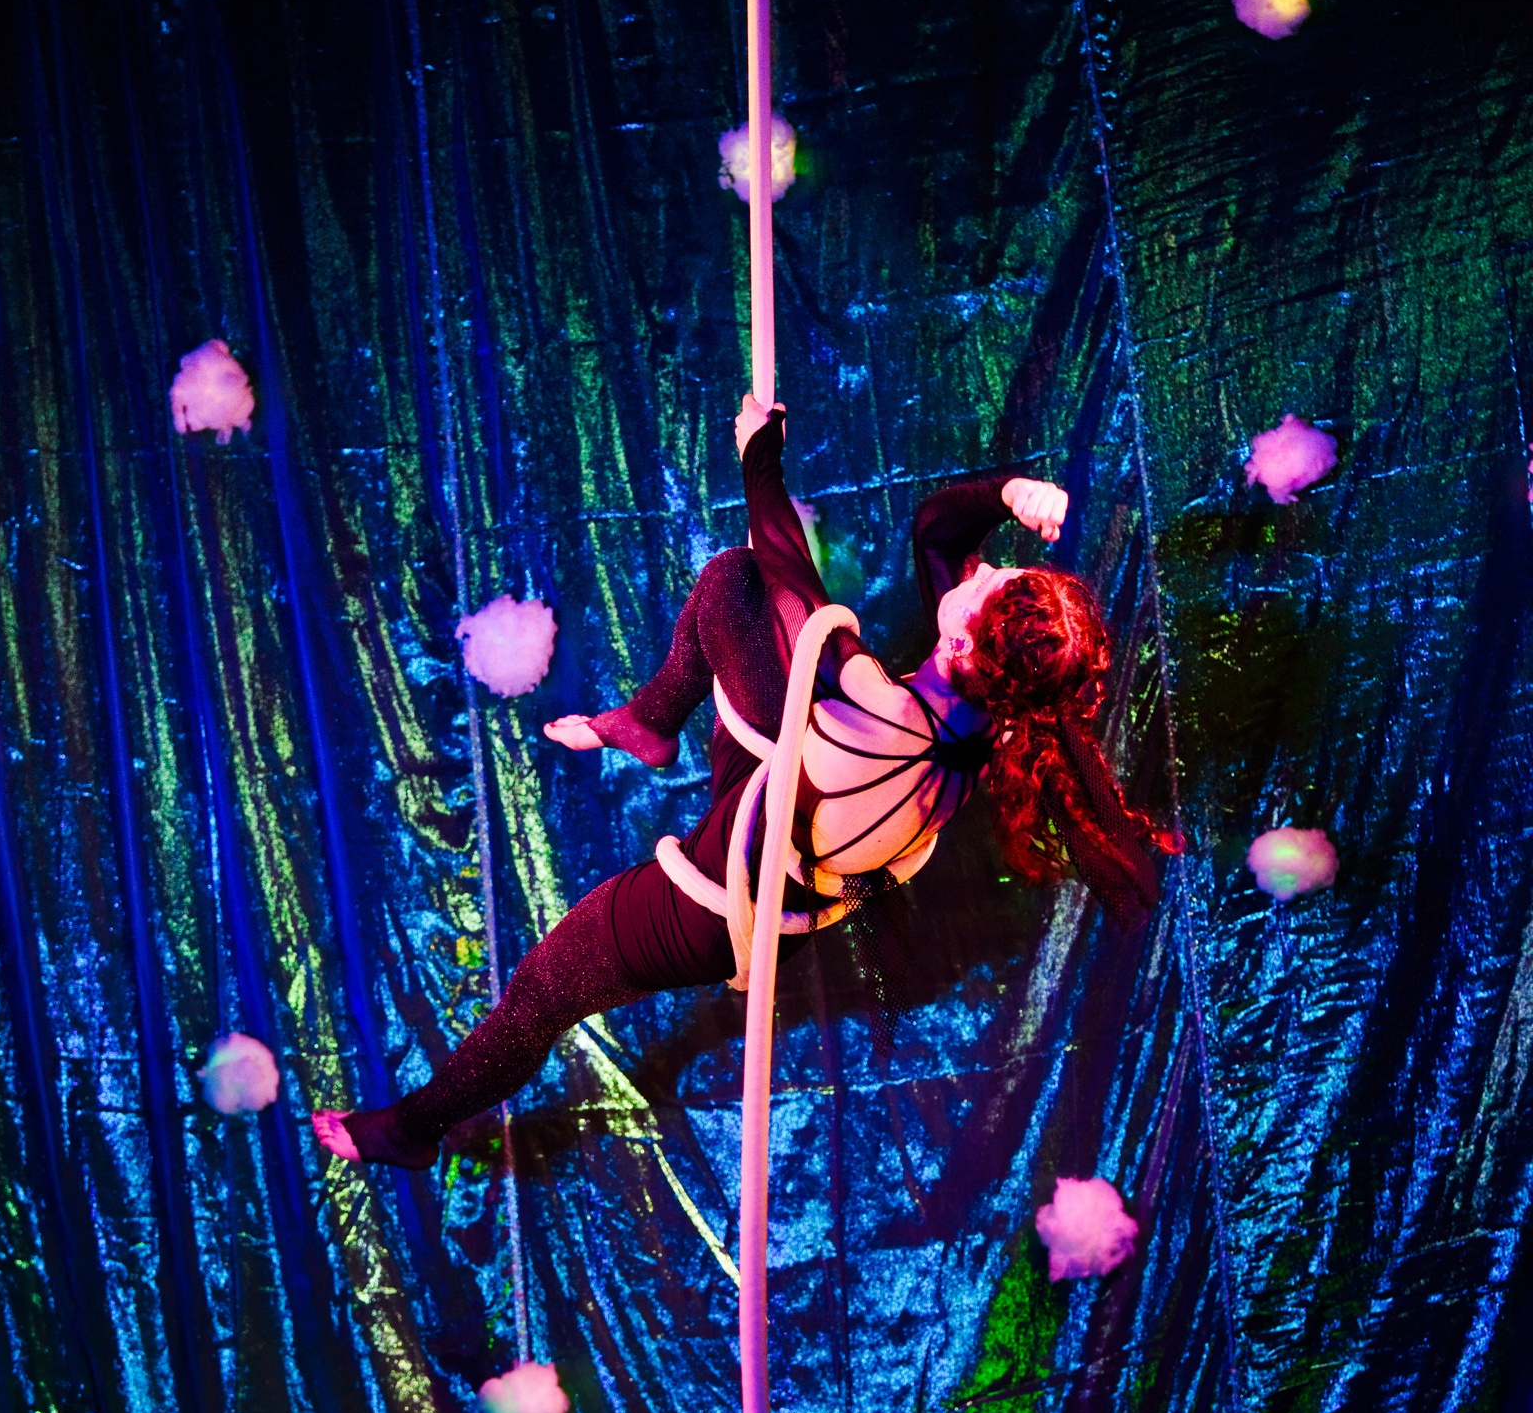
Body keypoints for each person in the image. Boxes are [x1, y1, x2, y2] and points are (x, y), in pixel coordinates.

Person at [314, 398, 1166, 1170]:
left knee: (541, 995)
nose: (982, 573)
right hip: (781, 798)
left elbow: (793, 577)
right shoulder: (984, 716)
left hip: (718, 903)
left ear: (960, 645)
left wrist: (759, 454)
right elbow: (939, 536)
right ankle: (650, 722)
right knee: (728, 585)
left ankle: (409, 1130)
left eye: (993, 586)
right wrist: (1009, 493)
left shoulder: (875, 704)